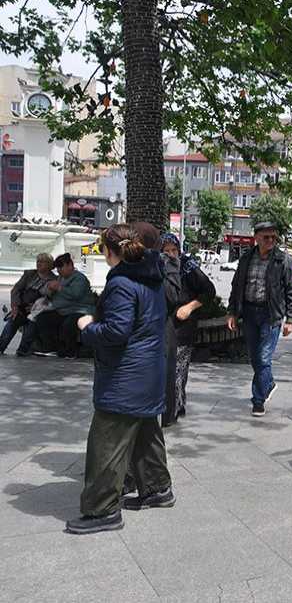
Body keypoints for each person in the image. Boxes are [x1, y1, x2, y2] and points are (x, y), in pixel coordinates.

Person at [65, 224, 173, 534]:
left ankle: (102, 511)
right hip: (147, 371)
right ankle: (157, 489)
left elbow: (116, 331)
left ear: (109, 251)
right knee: (145, 434)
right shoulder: (151, 276)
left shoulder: (122, 283)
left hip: (126, 377)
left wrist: (87, 327)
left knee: (106, 442)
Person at [226, 222, 292, 417]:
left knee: (263, 357)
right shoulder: (246, 258)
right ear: (256, 237)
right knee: (253, 357)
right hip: (249, 313)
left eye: (273, 237)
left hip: (271, 315)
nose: (270, 241)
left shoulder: (283, 260)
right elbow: (236, 286)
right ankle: (269, 383)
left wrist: (290, 319)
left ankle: (258, 400)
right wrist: (232, 312)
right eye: (266, 237)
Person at [160, 233, 216, 425]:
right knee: (167, 370)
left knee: (178, 370)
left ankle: (174, 409)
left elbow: (209, 291)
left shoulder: (188, 268)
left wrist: (189, 307)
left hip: (183, 327)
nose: (170, 254)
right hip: (164, 326)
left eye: (173, 250)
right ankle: (174, 404)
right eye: (165, 251)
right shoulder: (159, 268)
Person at [29, 253, 95, 358]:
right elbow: (49, 294)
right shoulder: (60, 278)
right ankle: (50, 348)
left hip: (79, 310)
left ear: (70, 265)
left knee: (68, 324)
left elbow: (76, 294)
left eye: (61, 267)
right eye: (58, 268)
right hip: (62, 310)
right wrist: (50, 289)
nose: (59, 270)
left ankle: (70, 351)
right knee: (43, 318)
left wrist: (60, 288)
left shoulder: (79, 278)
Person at [0, 253, 55, 355]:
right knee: (13, 321)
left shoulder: (54, 280)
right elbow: (16, 290)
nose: (39, 264)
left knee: (32, 323)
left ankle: (22, 351)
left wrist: (37, 307)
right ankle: (1, 347)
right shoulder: (29, 274)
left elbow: (51, 299)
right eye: (38, 261)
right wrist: (15, 306)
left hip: (37, 310)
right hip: (21, 306)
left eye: (42, 262)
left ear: (49, 264)